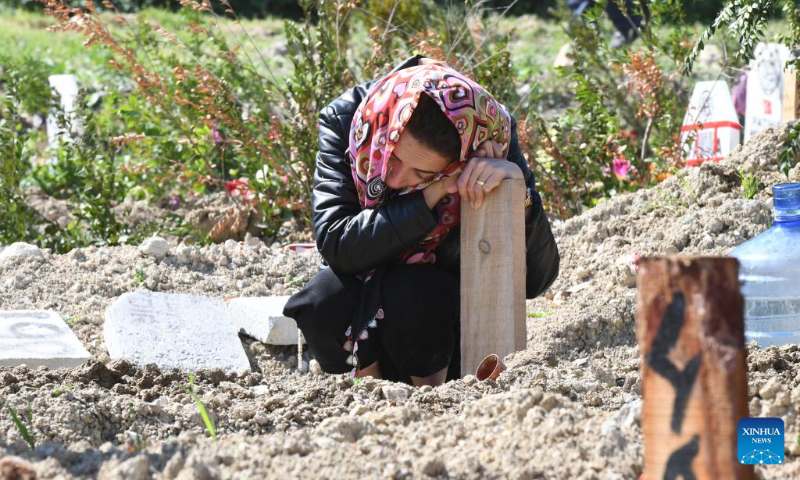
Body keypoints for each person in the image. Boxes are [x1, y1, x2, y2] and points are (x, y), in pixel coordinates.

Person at [284, 56, 559, 387]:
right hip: (361, 317)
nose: (393, 179)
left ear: (457, 160)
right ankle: (367, 394)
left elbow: (537, 281)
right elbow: (338, 243)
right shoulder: (347, 119)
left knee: (412, 289)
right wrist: (433, 191)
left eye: (421, 172)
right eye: (391, 155)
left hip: (442, 331)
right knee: (322, 301)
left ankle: (432, 400)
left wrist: (517, 191)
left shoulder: (484, 131)